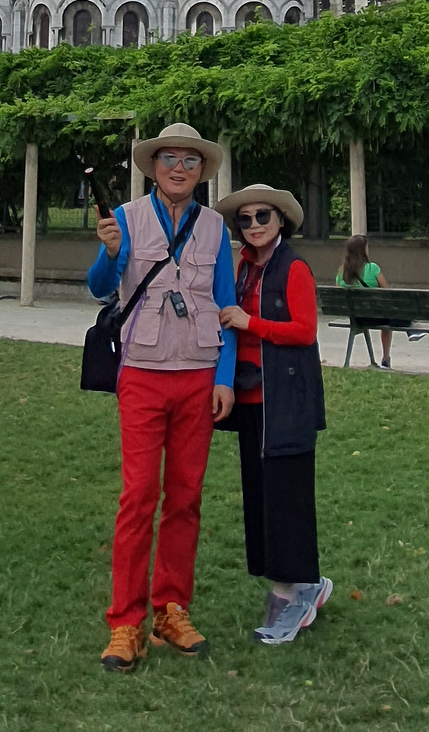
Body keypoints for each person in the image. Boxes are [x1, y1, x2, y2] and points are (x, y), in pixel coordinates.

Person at [87, 122, 237, 674]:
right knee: (139, 496)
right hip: (143, 374)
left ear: (202, 171)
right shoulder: (126, 218)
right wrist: (109, 253)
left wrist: (224, 376)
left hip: (199, 374)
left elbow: (225, 304)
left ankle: (171, 610)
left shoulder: (215, 228)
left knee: (186, 497)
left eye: (190, 161)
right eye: (169, 158)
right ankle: (125, 623)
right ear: (153, 167)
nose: (179, 168)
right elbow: (99, 286)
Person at [216, 184, 330, 645]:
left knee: (286, 497)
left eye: (263, 216)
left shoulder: (293, 267)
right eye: (244, 219)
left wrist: (252, 323)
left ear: (281, 220)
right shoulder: (244, 266)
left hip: (285, 400)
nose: (254, 225)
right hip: (250, 400)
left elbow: (305, 331)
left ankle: (289, 597)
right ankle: (302, 586)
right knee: (261, 497)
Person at [336, 233, 394, 367]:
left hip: (356, 318)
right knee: (390, 318)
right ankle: (386, 358)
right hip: (376, 317)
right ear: (363, 250)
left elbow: (339, 295)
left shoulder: (342, 272)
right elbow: (388, 293)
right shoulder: (372, 268)